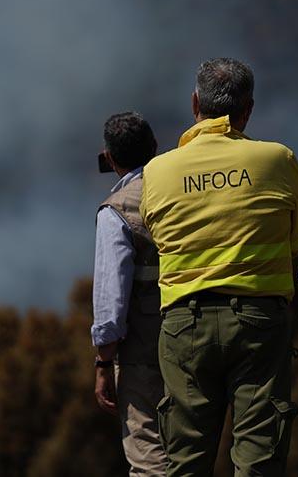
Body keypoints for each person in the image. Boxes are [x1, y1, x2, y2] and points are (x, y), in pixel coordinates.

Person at [140, 58, 298, 476]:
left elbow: (154, 234)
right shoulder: (278, 160)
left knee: (185, 462)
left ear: (195, 102)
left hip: (183, 325)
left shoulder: (157, 170)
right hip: (259, 323)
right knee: (258, 460)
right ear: (248, 109)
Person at [91, 111, 167, 475]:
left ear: (109, 158)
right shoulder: (181, 192)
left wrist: (104, 363)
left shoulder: (116, 210)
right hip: (196, 333)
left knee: (148, 451)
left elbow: (111, 300)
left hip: (142, 349)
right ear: (154, 147)